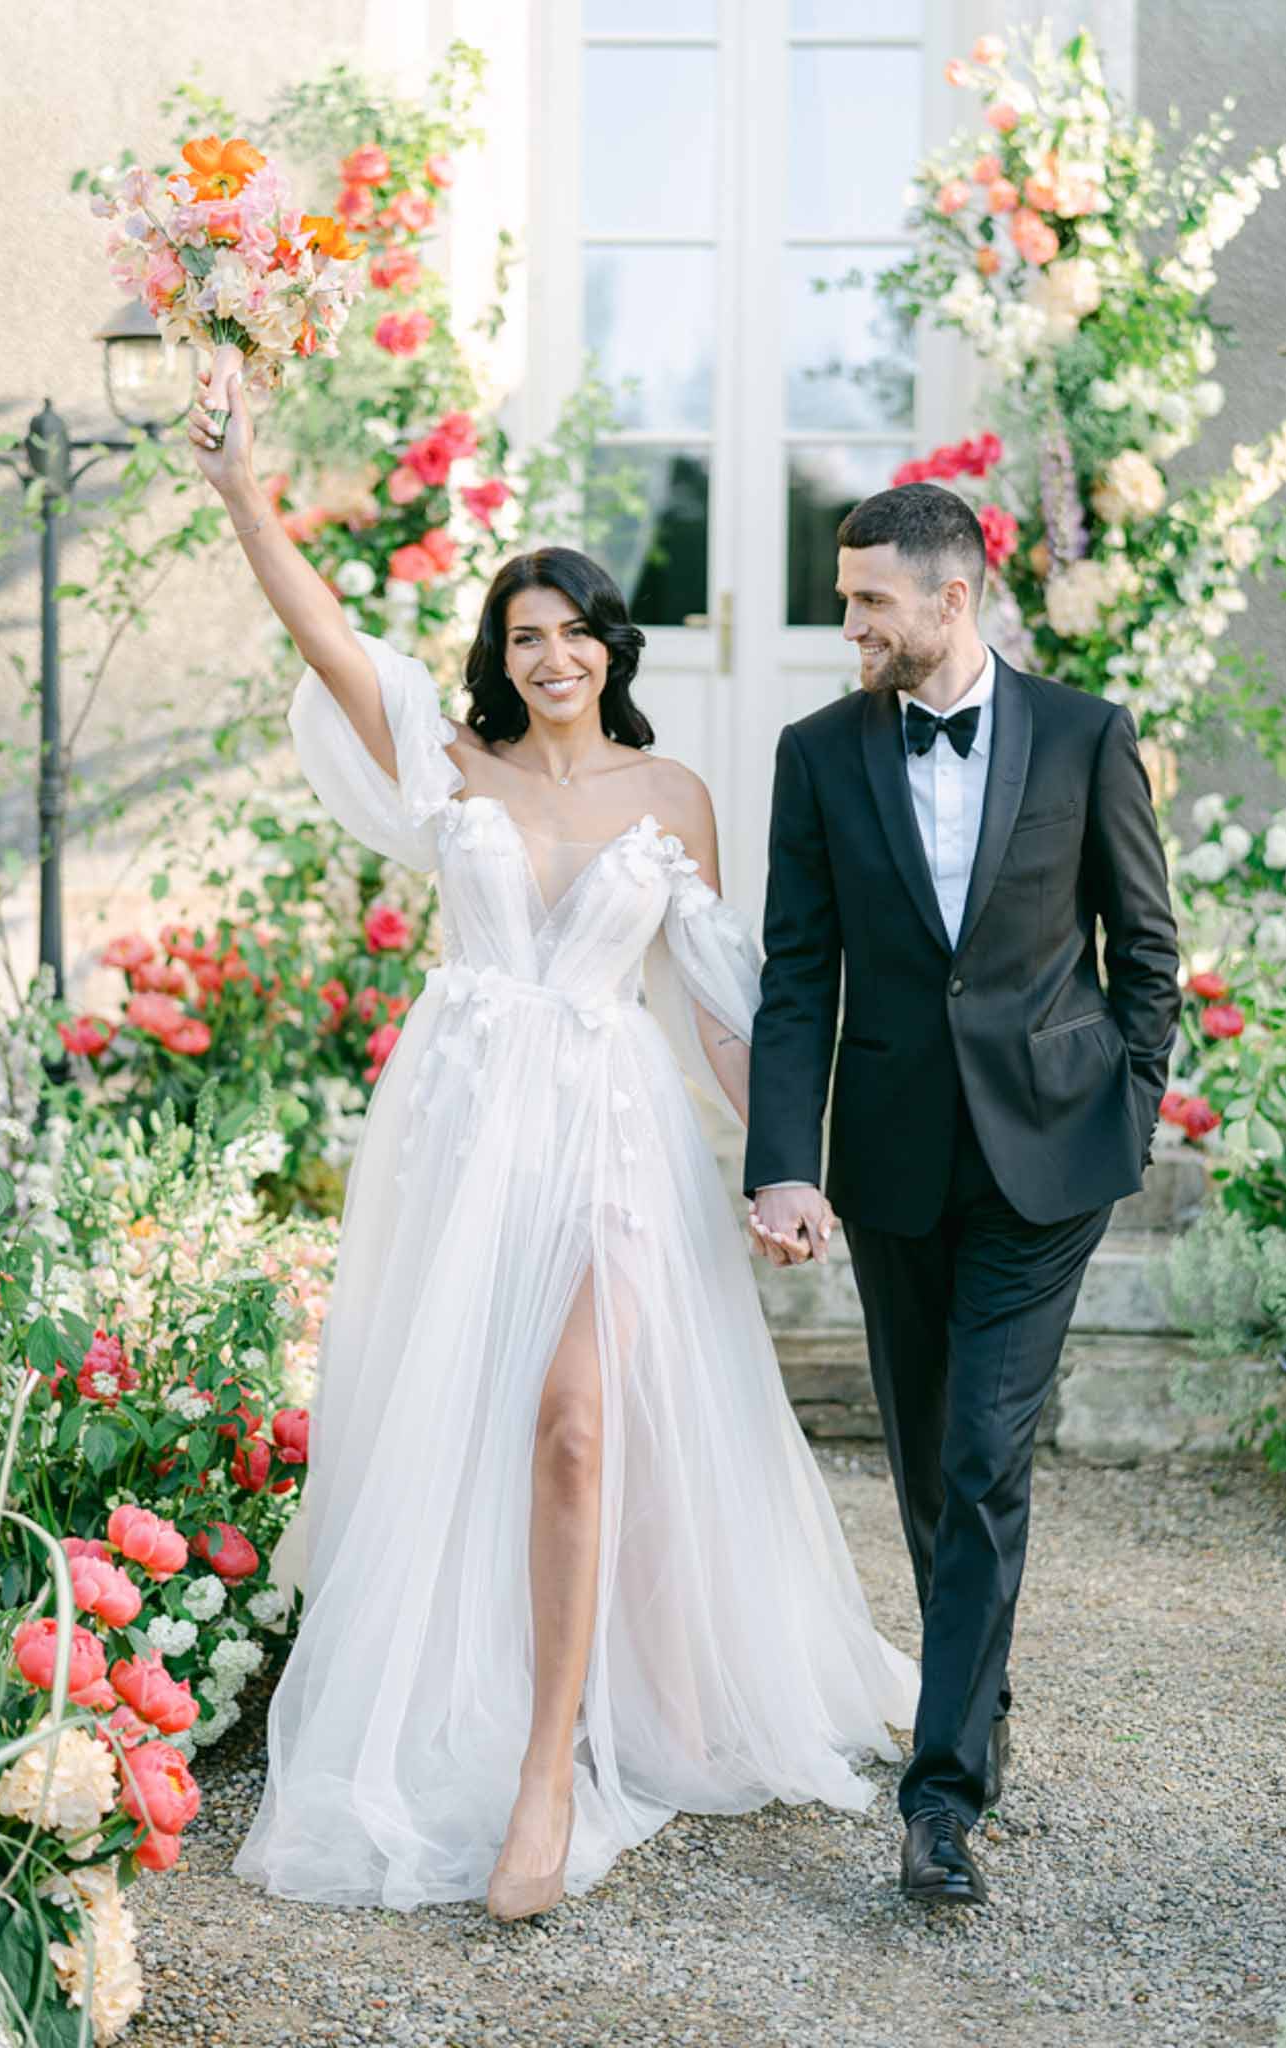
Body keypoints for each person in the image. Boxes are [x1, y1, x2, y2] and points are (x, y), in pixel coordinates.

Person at [185, 363, 917, 1920]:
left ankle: (546, 1772)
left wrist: (786, 1166)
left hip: (609, 1135)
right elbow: (328, 642)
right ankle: (496, 1713)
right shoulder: (451, 768)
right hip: (462, 1139)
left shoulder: (674, 794)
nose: (553, 655)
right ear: (498, 657)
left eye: (576, 630)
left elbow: (721, 1006)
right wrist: (243, 490)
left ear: (611, 647)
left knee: (580, 1421)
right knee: (466, 1425)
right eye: (525, 635)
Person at [745, 482, 1180, 1906]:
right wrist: (787, 1161)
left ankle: (939, 1803)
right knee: (932, 1465)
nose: (849, 624)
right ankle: (974, 1694)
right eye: (845, 598)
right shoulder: (817, 753)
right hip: (890, 1162)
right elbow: (798, 972)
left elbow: (1145, 945)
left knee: (988, 1455)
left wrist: (1125, 1104)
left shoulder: (1084, 735)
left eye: (870, 600)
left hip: (1046, 1159)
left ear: (952, 597)